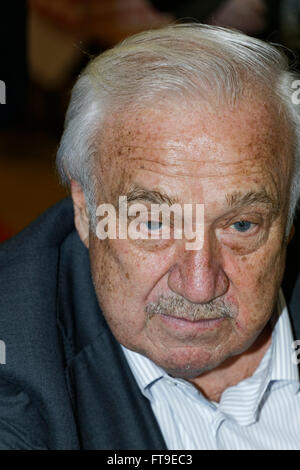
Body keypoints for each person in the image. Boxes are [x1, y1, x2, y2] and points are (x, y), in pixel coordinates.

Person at [0, 23, 300, 450]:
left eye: (241, 225)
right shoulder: (16, 380)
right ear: (85, 212)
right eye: (153, 223)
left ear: (289, 217)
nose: (198, 287)